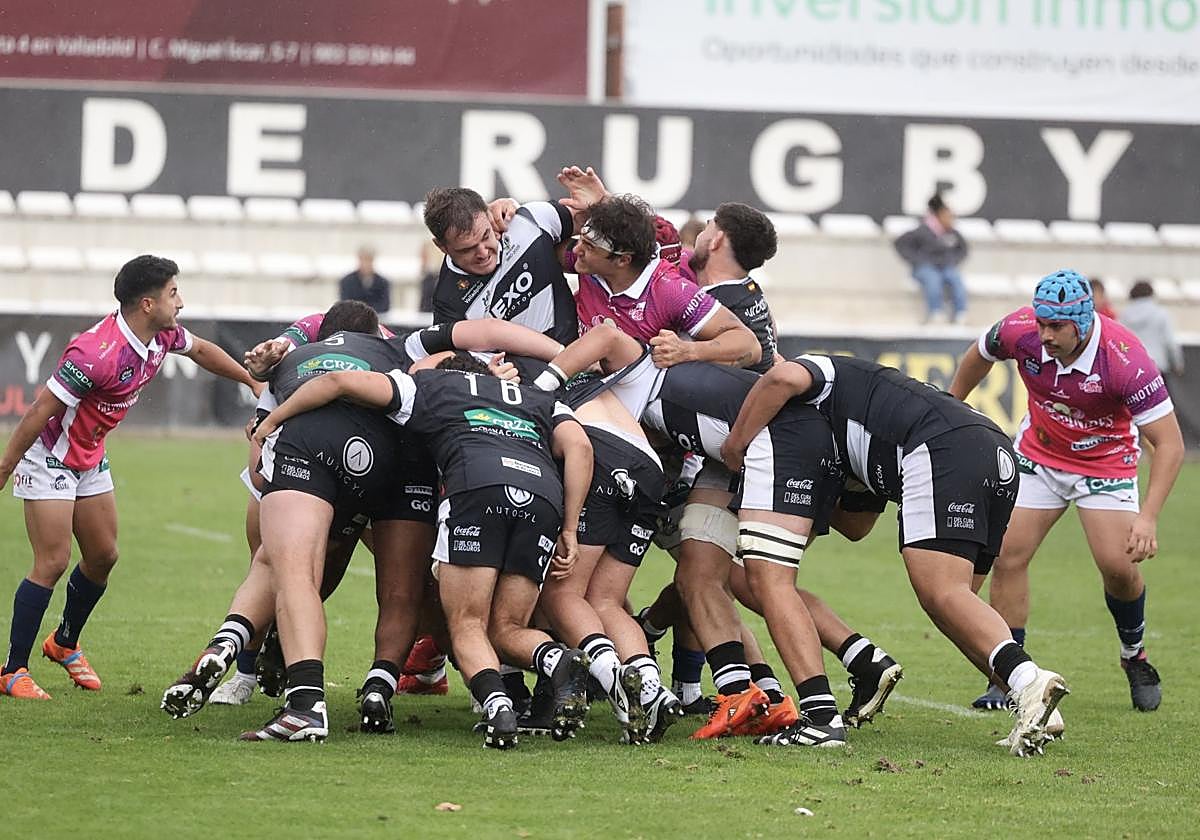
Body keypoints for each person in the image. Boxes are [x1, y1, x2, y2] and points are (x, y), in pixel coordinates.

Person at [722, 351, 1071, 756]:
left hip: (941, 448)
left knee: (943, 593)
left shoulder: (814, 373)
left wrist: (736, 444)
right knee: (955, 608)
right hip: (992, 447)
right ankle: (1033, 700)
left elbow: (781, 379)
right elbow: (857, 527)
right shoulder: (857, 420)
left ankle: (1029, 682)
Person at [254, 354, 596, 749]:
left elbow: (336, 380)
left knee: (467, 623)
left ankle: (499, 707)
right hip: (542, 499)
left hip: (476, 486)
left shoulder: (433, 385)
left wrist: (274, 418)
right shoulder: (537, 397)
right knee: (507, 628)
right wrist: (569, 528)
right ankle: (557, 660)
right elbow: (581, 449)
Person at [0, 256, 260, 700]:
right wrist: (5, 467)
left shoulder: (162, 335)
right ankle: (12, 670)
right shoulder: (94, 353)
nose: (181, 301)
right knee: (53, 561)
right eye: (173, 293)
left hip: (90, 455)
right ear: (146, 303)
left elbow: (200, 350)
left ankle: (64, 643)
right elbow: (42, 409)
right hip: (51, 456)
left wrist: (250, 379)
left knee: (103, 556)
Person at [949, 269, 1184, 713]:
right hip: (1040, 453)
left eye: (1056, 327)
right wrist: (951, 403)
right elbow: (979, 354)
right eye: (1041, 323)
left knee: (1117, 566)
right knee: (1008, 554)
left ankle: (1134, 655)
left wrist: (1148, 517)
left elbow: (1170, 444)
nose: (1045, 335)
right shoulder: (1020, 331)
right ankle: (1007, 676)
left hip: (1106, 463)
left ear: (1083, 322)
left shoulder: (1124, 358)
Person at [573, 194, 761, 369]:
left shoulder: (672, 289)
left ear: (624, 259)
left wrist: (686, 351)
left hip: (637, 391)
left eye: (589, 245)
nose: (576, 250)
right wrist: (599, 199)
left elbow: (751, 346)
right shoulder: (589, 261)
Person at [425, 166, 605, 346]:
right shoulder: (447, 301)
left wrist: (601, 203)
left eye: (486, 236)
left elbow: (602, 232)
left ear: (488, 214)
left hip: (582, 354)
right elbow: (453, 362)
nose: (483, 252)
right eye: (467, 249)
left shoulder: (530, 219)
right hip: (528, 373)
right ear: (442, 247)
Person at [894, 193, 969, 324]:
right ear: (939, 216)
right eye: (948, 216)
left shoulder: (952, 233)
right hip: (926, 267)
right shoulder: (922, 231)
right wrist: (917, 261)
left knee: (955, 279)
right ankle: (936, 312)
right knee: (933, 280)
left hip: (945, 266)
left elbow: (963, 249)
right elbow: (901, 243)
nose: (951, 219)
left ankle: (960, 313)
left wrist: (953, 260)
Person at [339, 247, 391, 314]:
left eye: (369, 260)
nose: (366, 264)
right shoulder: (347, 281)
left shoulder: (383, 283)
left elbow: (385, 306)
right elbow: (345, 304)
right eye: (363, 260)